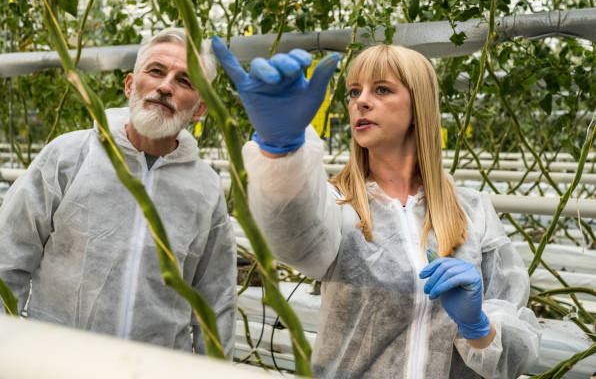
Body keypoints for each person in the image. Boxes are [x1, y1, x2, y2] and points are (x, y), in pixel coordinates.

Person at [212, 38, 541, 378]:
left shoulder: (472, 210)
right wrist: (281, 153)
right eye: (354, 92)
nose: (361, 102)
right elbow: (292, 239)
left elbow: (515, 355)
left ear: (419, 105)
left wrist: (478, 327)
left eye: (382, 90)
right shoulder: (339, 204)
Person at [0, 28, 236, 356]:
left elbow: (215, 302)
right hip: (55, 362)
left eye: (184, 81)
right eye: (156, 71)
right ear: (131, 85)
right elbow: (6, 261)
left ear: (200, 109)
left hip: (153, 369)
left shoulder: (205, 189)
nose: (165, 86)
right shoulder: (68, 157)